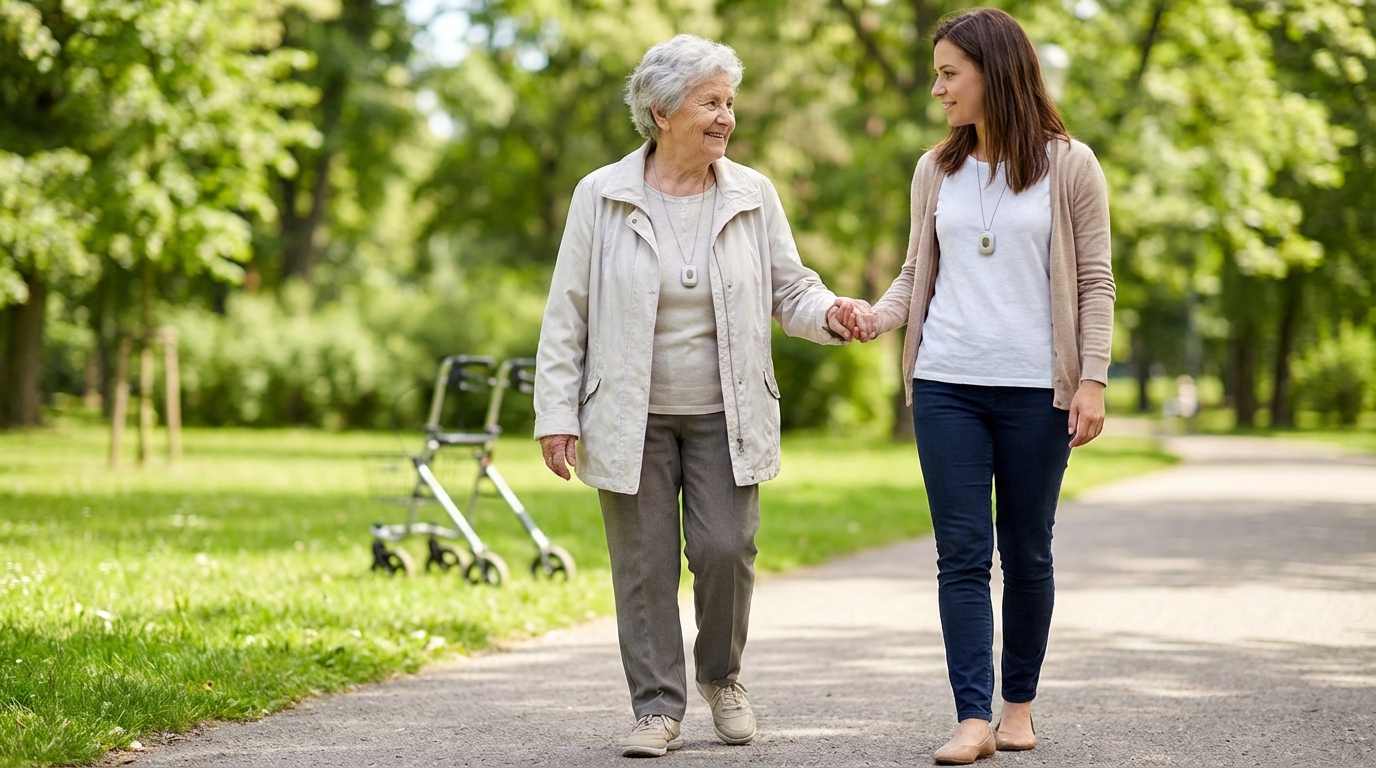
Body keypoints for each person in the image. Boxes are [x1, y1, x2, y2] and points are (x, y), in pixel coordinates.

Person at [533, 34, 869, 758]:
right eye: (710, 102)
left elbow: (790, 287)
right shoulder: (603, 194)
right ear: (660, 112)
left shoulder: (752, 193)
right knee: (644, 566)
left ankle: (723, 678)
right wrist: (556, 415)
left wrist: (830, 314)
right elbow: (570, 311)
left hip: (727, 409)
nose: (726, 117)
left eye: (729, 102)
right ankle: (656, 708)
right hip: (628, 413)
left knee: (725, 549)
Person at [833, 8, 1114, 765]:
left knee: (1027, 553)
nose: (938, 90)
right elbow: (915, 272)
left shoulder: (1071, 166)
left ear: (995, 72)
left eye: (950, 74)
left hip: (1036, 391)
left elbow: (1096, 282)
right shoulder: (937, 168)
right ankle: (971, 718)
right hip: (946, 383)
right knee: (961, 552)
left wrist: (1092, 378)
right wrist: (875, 317)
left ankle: (1016, 706)